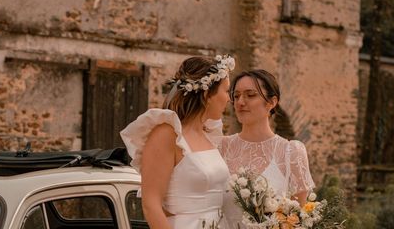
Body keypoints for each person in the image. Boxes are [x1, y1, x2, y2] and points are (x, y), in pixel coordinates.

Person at [120, 55, 234, 229]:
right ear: (207, 95)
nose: (229, 98)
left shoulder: (208, 134)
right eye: (226, 91)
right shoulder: (166, 134)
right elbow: (151, 205)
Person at [214, 69, 315, 228]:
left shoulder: (291, 152)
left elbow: (298, 221)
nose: (240, 102)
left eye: (250, 95)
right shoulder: (220, 147)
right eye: (236, 96)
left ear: (271, 102)